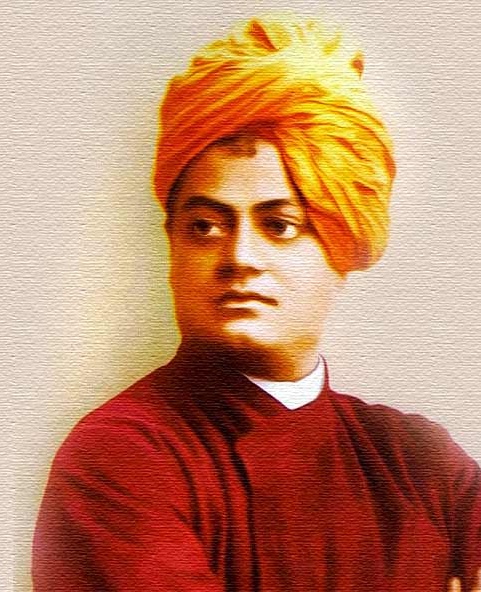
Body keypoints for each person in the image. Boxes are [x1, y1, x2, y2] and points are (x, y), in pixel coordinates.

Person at [32, 12, 481, 592]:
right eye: (205, 226)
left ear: (342, 246)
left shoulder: (416, 459)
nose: (240, 256)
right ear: (173, 245)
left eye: (280, 225)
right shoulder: (120, 456)